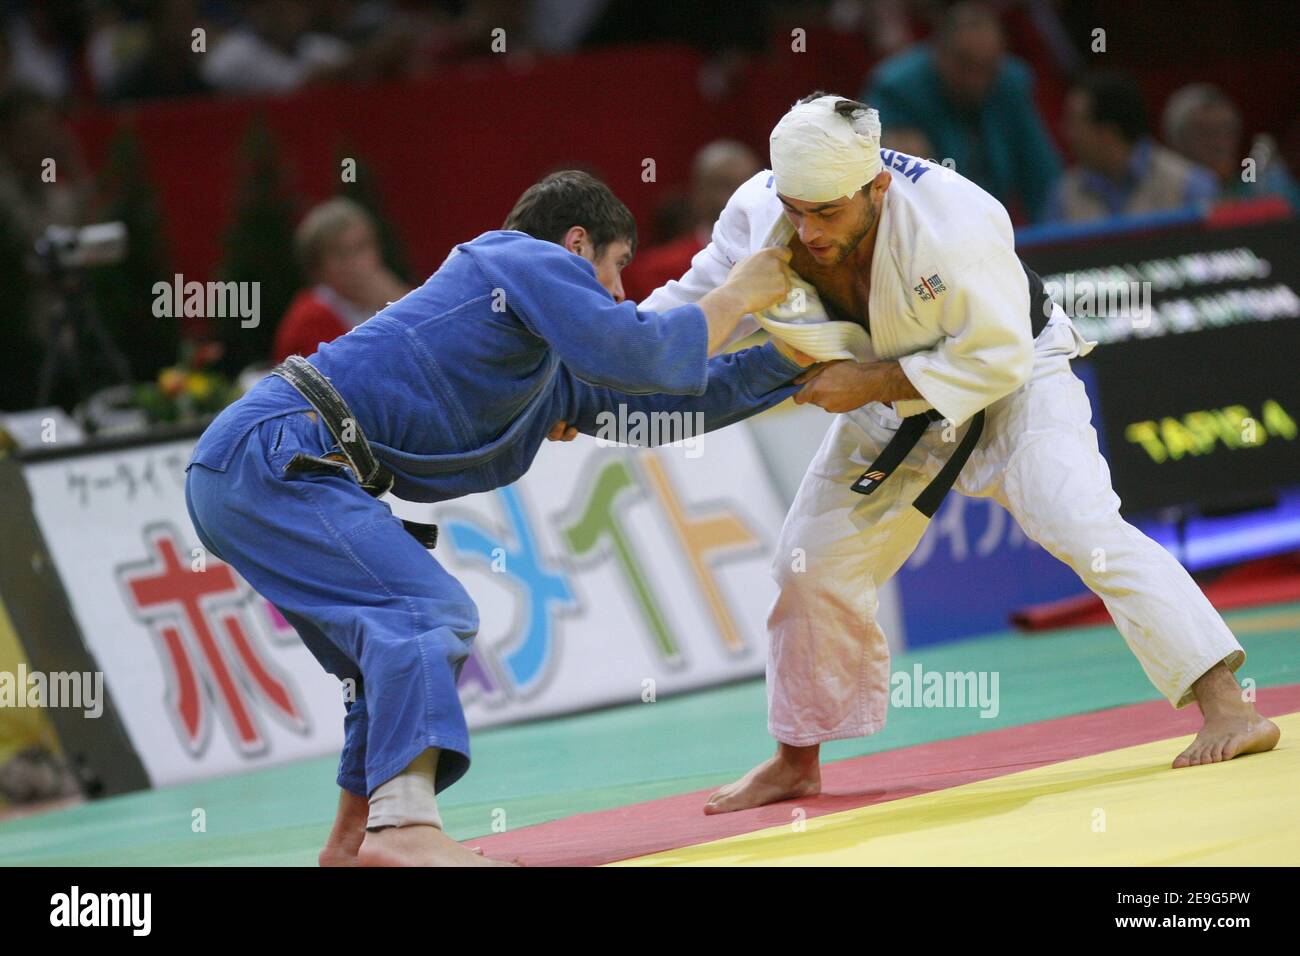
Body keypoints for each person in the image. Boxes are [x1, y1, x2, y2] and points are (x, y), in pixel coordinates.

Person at [641, 93, 1280, 814]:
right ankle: (796, 760)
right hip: (892, 399)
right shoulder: (761, 214)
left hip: (1014, 378)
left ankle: (1229, 706)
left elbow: (997, 360)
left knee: (1079, 523)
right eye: (796, 209)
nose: (807, 230)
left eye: (827, 213)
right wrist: (598, 372)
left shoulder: (956, 221)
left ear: (874, 187)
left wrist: (863, 382)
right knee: (810, 562)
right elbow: (689, 302)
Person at [185, 170, 806, 865]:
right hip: (275, 451)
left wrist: (796, 361)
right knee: (423, 614)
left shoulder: (547, 363)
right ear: (575, 246)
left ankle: (354, 842)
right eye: (618, 265)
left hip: (257, 468)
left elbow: (658, 409)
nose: (623, 292)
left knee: (379, 656)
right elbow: (643, 351)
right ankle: (404, 831)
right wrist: (740, 294)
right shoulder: (515, 257)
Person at [863, 1, 1061, 223]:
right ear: (938, 52)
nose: (976, 81)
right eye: (965, 65)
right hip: (933, 229)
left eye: (987, 67)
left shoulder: (1011, 82)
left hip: (999, 227)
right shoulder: (895, 90)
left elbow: (1043, 179)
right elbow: (890, 191)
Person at [1047, 71, 1218, 223]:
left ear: (1107, 133)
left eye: (1075, 123)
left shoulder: (1190, 186)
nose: (1066, 133)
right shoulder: (1063, 196)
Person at [622, 139, 761, 302]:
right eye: (725, 185)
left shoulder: (783, 259)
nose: (739, 195)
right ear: (698, 191)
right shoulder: (653, 270)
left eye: (748, 183)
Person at [272, 198, 409, 363]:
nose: (355, 263)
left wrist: (400, 302)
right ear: (317, 268)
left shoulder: (394, 295)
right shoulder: (309, 319)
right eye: (340, 254)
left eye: (361, 248)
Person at [1162, 83, 1300, 211]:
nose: (1218, 144)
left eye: (1227, 131)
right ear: (1177, 143)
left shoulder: (1265, 187)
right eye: (1205, 134)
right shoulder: (1164, 195)